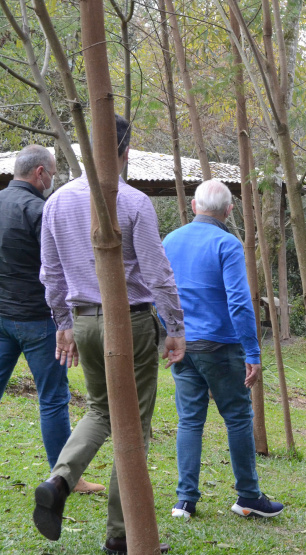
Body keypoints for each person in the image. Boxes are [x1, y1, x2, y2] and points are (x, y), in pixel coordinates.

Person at [33, 115, 185, 555]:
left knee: (100, 409)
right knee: (133, 427)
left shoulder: (57, 202)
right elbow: (158, 274)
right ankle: (122, 536)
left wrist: (63, 322)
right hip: (131, 321)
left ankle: (59, 479)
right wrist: (174, 327)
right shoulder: (135, 202)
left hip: (82, 321)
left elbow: (51, 273)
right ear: (125, 152)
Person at [161, 179, 283, 520]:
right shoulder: (228, 244)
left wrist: (170, 332)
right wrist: (253, 353)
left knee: (189, 420)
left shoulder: (170, 240)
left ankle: (184, 500)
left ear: (196, 206)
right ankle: (248, 496)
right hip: (221, 347)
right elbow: (241, 303)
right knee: (238, 418)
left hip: (183, 345)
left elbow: (158, 290)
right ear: (229, 211)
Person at [0, 145, 103, 494]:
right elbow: (56, 270)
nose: (53, 179)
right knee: (53, 399)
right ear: (40, 173)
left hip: (1, 316)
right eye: (53, 172)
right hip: (39, 321)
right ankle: (66, 478)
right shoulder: (40, 211)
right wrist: (68, 319)